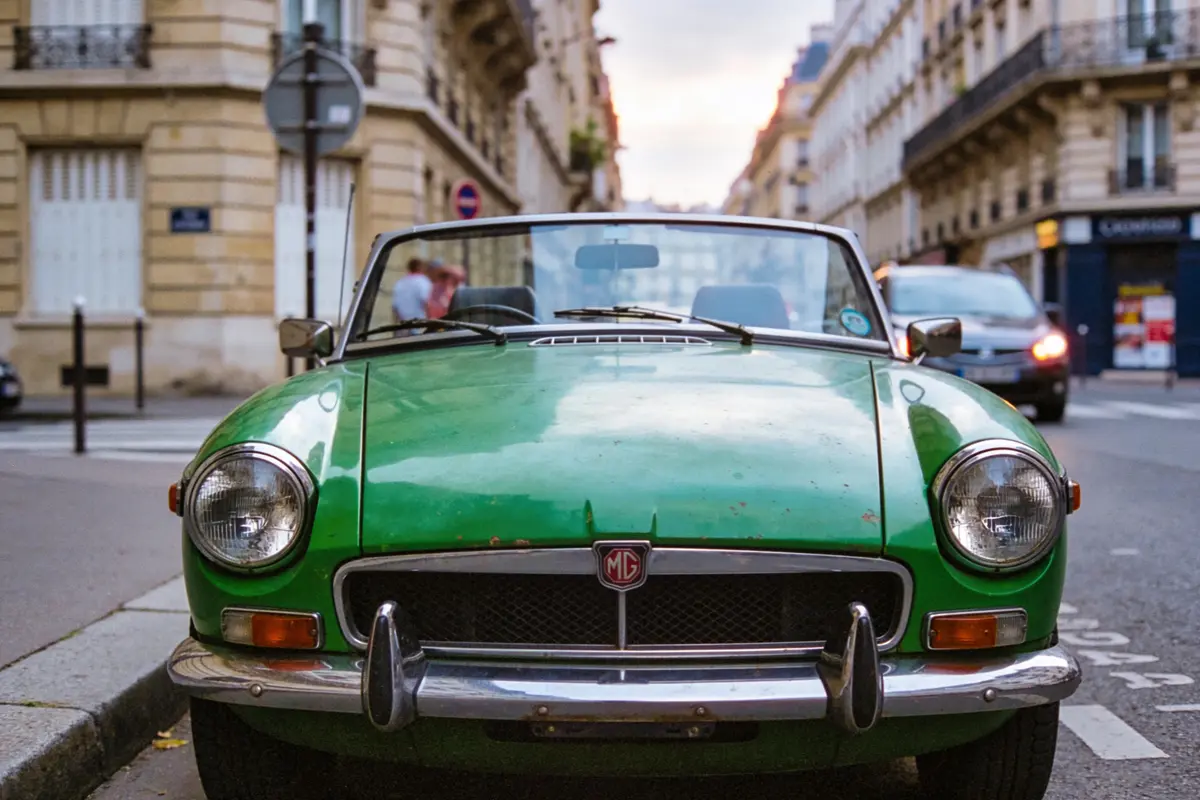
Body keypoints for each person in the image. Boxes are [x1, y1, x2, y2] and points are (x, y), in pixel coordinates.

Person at [391, 258, 435, 331]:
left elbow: (395, 307)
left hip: (404, 326)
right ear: (420, 267)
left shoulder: (400, 282)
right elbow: (427, 303)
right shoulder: (423, 281)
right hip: (420, 325)